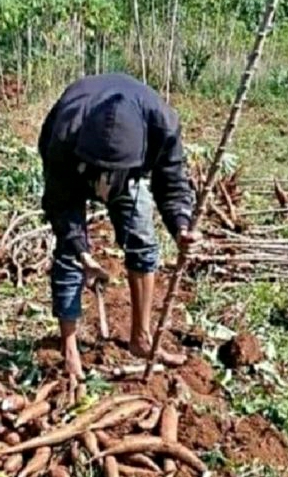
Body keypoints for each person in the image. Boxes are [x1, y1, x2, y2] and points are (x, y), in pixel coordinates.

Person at [38, 72, 200, 382]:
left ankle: (141, 338)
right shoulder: (64, 133)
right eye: (99, 178)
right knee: (69, 254)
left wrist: (181, 225)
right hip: (75, 163)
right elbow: (60, 204)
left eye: (109, 180)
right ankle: (69, 347)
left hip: (130, 172)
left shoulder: (161, 126)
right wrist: (81, 251)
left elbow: (173, 183)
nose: (102, 191)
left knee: (143, 241)